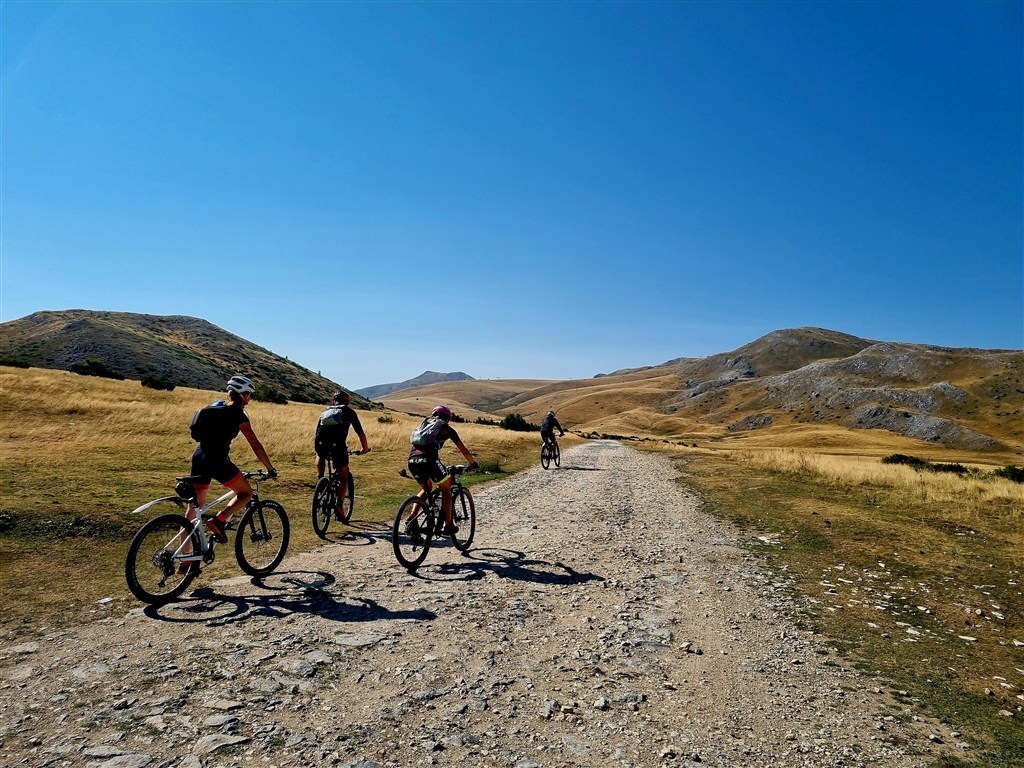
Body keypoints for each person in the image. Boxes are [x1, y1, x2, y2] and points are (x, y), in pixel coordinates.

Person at [185, 375, 277, 553]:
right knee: (246, 492)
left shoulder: (215, 406)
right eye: (250, 394)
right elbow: (256, 446)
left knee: (193, 511)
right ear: (245, 395)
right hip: (217, 460)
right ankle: (219, 520)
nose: (250, 398)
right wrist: (270, 468)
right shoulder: (238, 414)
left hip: (199, 456)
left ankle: (186, 559)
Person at [407, 405, 477, 534]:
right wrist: (473, 463)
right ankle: (449, 525)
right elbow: (463, 449)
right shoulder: (446, 428)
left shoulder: (423, 426)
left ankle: (411, 517)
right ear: (448, 418)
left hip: (412, 460)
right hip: (430, 460)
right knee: (446, 489)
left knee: (426, 488)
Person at [314, 391, 370, 519]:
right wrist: (365, 448)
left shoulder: (325, 411)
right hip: (337, 446)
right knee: (343, 474)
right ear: (347, 401)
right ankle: (339, 504)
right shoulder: (349, 412)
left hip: (320, 442)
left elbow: (317, 432)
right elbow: (360, 433)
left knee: (319, 454)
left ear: (334, 400)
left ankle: (320, 479)